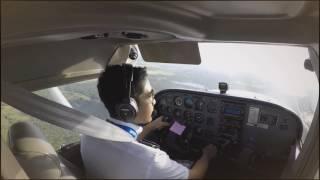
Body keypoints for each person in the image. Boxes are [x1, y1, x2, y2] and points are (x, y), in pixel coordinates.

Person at [80, 64, 217, 179]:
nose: (155, 101)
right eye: (149, 96)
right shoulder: (151, 159)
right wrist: (207, 155)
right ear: (129, 107)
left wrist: (151, 126)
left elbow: (125, 142)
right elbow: (194, 176)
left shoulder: (88, 136)